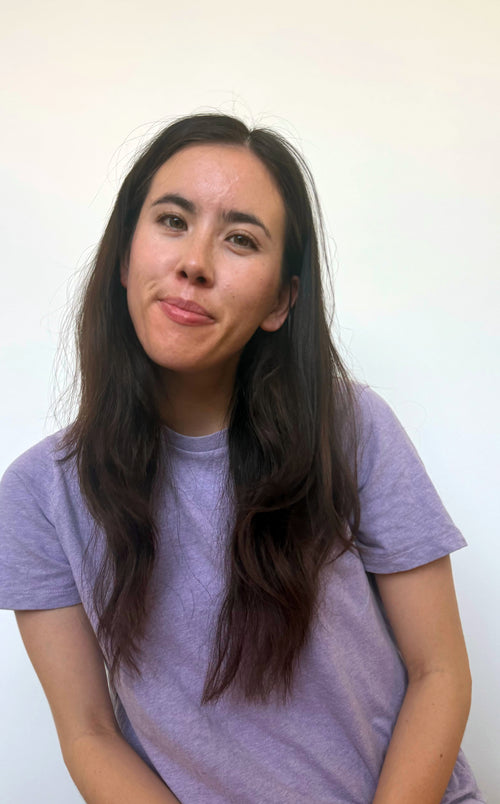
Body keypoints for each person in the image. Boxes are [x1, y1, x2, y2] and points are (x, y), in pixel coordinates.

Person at [0, 113, 485, 804]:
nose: (195, 263)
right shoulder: (38, 496)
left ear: (281, 301)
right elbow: (89, 733)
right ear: (124, 257)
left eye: (240, 239)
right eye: (172, 221)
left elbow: (440, 672)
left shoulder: (351, 427)